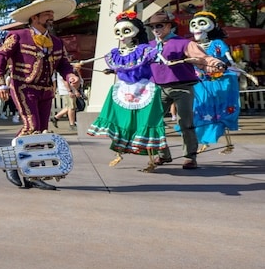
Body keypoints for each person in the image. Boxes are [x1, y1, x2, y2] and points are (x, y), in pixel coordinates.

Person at [0, 0, 80, 190]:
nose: (51, 15)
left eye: (51, 13)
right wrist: (0, 84)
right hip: (24, 87)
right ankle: (11, 162)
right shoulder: (18, 36)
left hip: (46, 91)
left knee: (40, 131)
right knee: (31, 127)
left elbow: (64, 65)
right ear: (34, 17)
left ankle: (33, 173)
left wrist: (70, 76)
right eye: (47, 12)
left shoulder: (56, 42)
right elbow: (0, 56)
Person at [85, 10, 168, 170]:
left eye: (126, 31)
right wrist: (113, 70)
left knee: (145, 121)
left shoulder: (145, 50)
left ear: (136, 31)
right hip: (124, 89)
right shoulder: (117, 53)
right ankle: (119, 149)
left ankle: (151, 158)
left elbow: (157, 58)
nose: (122, 35)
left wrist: (166, 61)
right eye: (118, 32)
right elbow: (123, 66)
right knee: (120, 120)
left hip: (144, 89)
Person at [146, 9, 227, 169]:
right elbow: (136, 63)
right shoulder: (150, 46)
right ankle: (162, 155)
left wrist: (214, 63)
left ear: (169, 26)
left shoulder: (184, 43)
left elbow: (201, 58)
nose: (155, 29)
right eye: (152, 27)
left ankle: (190, 157)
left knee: (185, 122)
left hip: (182, 87)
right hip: (158, 89)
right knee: (152, 122)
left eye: (159, 25)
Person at [184, 10, 240, 153]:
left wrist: (232, 65)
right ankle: (203, 137)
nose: (197, 27)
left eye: (201, 23)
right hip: (200, 82)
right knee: (200, 108)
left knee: (219, 108)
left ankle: (220, 136)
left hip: (218, 80)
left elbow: (229, 58)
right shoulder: (191, 45)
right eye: (194, 24)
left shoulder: (217, 43)